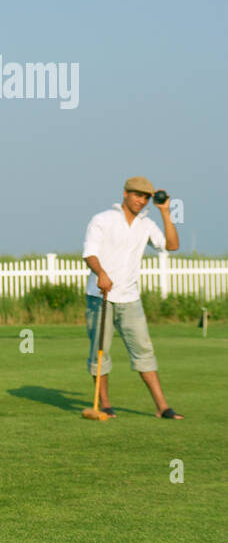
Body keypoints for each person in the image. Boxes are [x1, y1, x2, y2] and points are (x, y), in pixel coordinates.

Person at [82, 176, 183, 420]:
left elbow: (171, 245)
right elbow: (90, 254)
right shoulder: (103, 219)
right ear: (125, 193)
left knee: (144, 351)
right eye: (137, 194)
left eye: (146, 197)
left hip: (130, 298)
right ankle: (104, 404)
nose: (141, 200)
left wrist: (165, 212)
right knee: (100, 352)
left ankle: (162, 407)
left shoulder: (147, 224)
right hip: (101, 296)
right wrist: (101, 273)